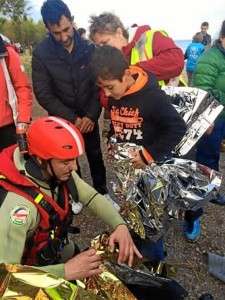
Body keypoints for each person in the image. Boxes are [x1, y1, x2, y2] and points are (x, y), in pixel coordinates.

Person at [0, 116, 142, 281]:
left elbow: (91, 197)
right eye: (66, 161)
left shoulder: (54, 170)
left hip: (55, 250)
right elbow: (6, 276)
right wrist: (65, 272)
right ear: (40, 160)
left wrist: (120, 225)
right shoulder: (18, 209)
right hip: (32, 274)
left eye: (75, 159)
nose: (74, 167)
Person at [89, 45, 187, 259]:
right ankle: (139, 251)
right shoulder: (116, 95)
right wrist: (111, 139)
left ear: (126, 75)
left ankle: (154, 267)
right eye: (102, 89)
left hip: (151, 174)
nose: (106, 94)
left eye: (109, 87)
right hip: (128, 173)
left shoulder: (152, 97)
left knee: (151, 223)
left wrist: (148, 155)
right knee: (132, 214)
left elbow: (177, 128)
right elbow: (117, 123)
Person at [32, 0, 119, 212]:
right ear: (47, 28)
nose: (63, 37)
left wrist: (91, 115)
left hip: (89, 115)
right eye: (56, 33)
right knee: (66, 159)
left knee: (95, 154)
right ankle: (74, 194)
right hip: (62, 118)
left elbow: (97, 84)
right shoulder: (41, 54)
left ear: (72, 20)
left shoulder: (90, 48)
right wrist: (72, 119)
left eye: (66, 29)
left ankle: (102, 191)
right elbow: (43, 93)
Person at [183, 20, 225, 242]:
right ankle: (192, 214)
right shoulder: (210, 58)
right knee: (203, 163)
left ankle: (212, 190)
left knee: (214, 159)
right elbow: (202, 91)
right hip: (212, 120)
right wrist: (207, 118)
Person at [89, 11, 185, 106]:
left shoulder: (151, 37)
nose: (102, 49)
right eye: (98, 46)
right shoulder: (107, 59)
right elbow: (105, 96)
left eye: (105, 42)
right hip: (139, 113)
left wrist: (133, 73)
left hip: (172, 105)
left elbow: (176, 60)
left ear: (119, 32)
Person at [0, 35, 32, 151]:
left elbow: (23, 87)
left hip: (6, 129)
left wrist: (23, 119)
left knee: (8, 167)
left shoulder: (7, 53)